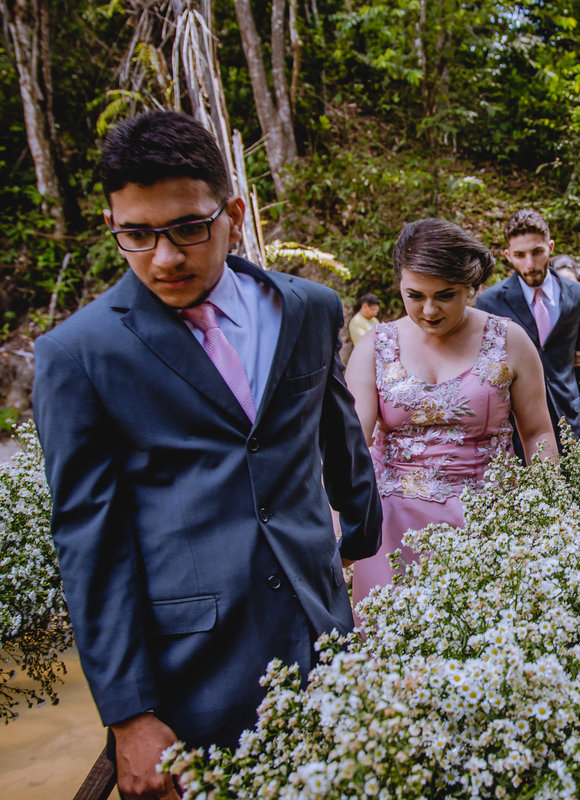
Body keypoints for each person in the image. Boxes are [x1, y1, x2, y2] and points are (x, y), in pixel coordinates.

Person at [31, 111, 382, 800]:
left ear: (234, 214)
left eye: (189, 226)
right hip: (193, 674)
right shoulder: (79, 355)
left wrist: (360, 541)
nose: (164, 256)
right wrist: (129, 715)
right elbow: (88, 541)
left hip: (324, 636)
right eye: (136, 234)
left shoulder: (310, 310)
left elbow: (340, 436)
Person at [345, 218, 557, 605]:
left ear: (472, 288)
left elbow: (538, 432)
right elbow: (351, 442)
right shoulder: (375, 346)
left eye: (445, 295)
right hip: (391, 526)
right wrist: (336, 523)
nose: (429, 310)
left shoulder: (509, 340)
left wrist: (543, 513)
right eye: (415, 295)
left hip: (489, 519)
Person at [476, 209, 580, 458]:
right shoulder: (489, 303)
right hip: (517, 430)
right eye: (520, 255)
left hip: (572, 423)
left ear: (550, 246)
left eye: (537, 252)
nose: (530, 264)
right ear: (508, 256)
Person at [339, 292, 380, 363]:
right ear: (365, 306)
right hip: (365, 358)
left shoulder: (374, 320)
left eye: (376, 311)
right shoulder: (357, 321)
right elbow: (364, 341)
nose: (375, 313)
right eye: (373, 310)